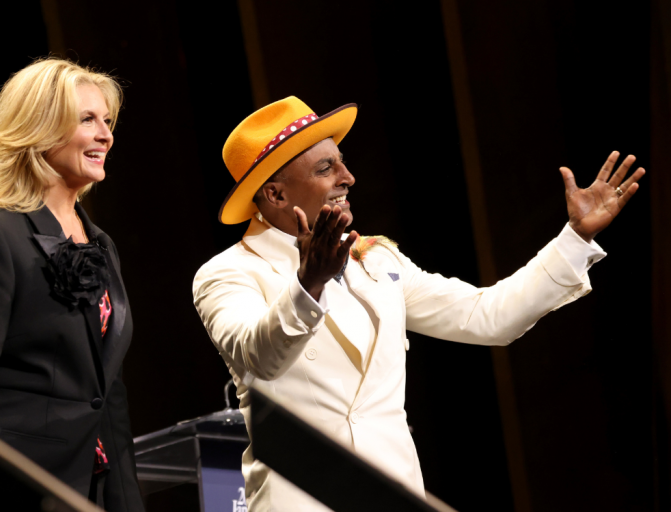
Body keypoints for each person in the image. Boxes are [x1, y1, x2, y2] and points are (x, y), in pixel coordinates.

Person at [192, 96, 645, 511]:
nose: (347, 178)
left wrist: (576, 238)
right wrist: (308, 284)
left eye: (342, 164)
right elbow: (258, 358)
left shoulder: (375, 258)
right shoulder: (227, 273)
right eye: (325, 168)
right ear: (275, 194)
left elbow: (485, 316)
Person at [0, 58, 144, 511]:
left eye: (108, 121)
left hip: (89, 490)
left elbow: (108, 395)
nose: (105, 135)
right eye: (87, 120)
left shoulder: (101, 245)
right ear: (39, 129)